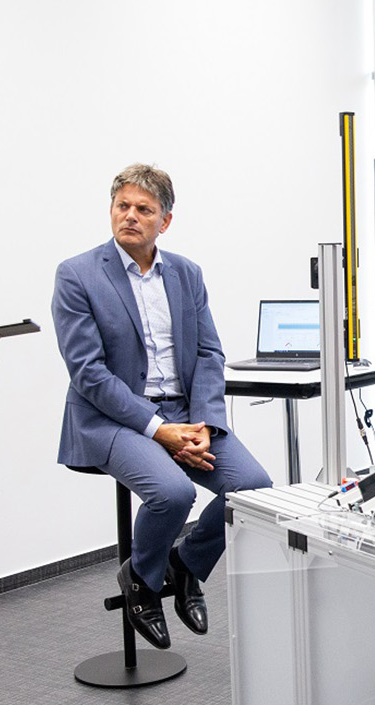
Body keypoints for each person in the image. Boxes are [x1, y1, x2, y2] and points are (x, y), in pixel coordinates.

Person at [52, 164, 271, 650]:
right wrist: (158, 430)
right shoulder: (77, 274)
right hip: (112, 419)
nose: (130, 216)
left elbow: (209, 354)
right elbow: (89, 374)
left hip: (186, 413)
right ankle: (143, 581)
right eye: (122, 206)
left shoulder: (186, 274)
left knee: (253, 489)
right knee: (173, 493)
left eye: (144, 210)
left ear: (165, 221)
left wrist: (204, 424)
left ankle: (186, 563)